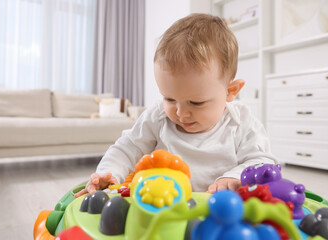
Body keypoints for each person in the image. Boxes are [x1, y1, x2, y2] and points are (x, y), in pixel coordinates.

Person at [75, 13, 277, 197]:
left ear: (230, 91)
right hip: (162, 205)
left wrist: (234, 177)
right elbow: (127, 148)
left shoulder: (241, 122)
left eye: (196, 103)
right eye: (169, 99)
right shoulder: (158, 117)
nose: (180, 113)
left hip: (219, 213)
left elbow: (263, 162)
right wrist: (106, 174)